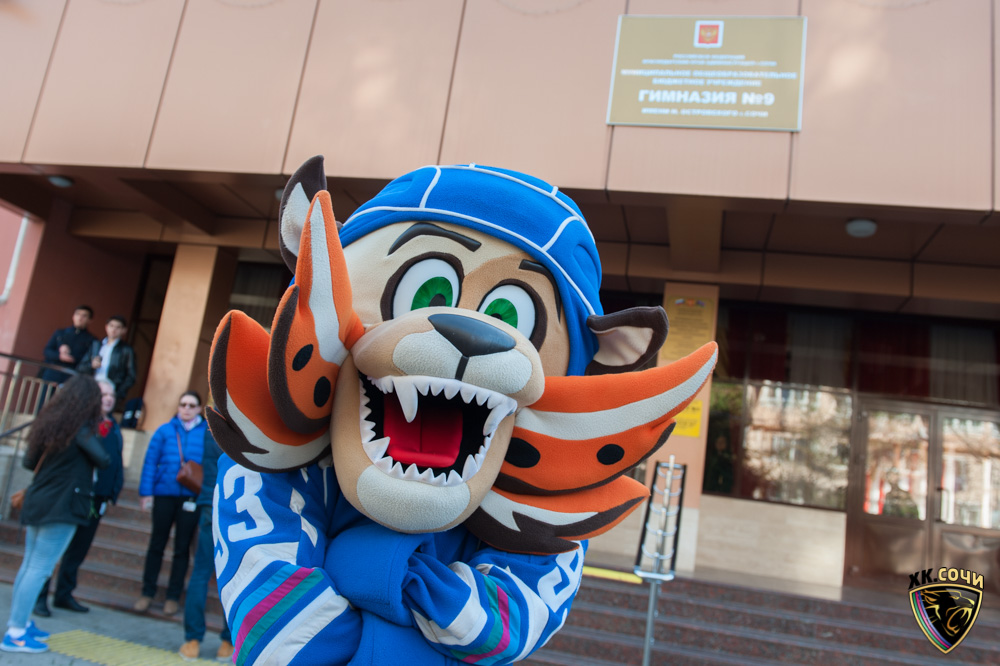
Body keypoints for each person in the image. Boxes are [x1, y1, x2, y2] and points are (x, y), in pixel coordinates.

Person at [2, 375, 110, 654]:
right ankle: (15, 632)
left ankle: (21, 623)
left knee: (30, 565)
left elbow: (29, 462)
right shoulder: (81, 429)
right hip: (62, 506)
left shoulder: (48, 424)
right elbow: (103, 459)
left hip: (38, 500)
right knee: (40, 569)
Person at [33, 379, 124, 617]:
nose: (108, 399)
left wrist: (113, 490)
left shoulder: (113, 427)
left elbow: (115, 461)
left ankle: (64, 593)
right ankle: (39, 597)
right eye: (103, 394)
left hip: (97, 498)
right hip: (72, 496)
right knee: (53, 550)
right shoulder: (78, 425)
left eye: (111, 395)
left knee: (78, 550)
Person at [134, 391, 207, 616]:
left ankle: (173, 596)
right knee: (157, 544)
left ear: (199, 409)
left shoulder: (207, 433)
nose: (186, 409)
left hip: (190, 497)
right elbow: (150, 462)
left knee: (181, 548)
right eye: (183, 404)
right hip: (164, 494)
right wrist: (146, 492)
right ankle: (147, 592)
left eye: (191, 405)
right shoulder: (165, 431)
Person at [179, 428, 233, 662]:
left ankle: (192, 641)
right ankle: (228, 642)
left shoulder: (210, 425)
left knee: (200, 573)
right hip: (235, 507)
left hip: (210, 503)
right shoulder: (244, 422)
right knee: (232, 575)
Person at [76, 315, 137, 406]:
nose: (114, 329)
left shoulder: (126, 350)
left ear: (124, 330)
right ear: (106, 327)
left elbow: (131, 376)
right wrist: (91, 365)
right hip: (92, 387)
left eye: (118, 327)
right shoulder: (96, 345)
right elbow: (80, 367)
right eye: (111, 326)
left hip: (111, 389)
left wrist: (118, 393)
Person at [39, 306, 96, 385]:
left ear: (90, 320)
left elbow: (88, 361)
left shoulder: (91, 340)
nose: (80, 318)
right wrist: (59, 356)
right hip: (52, 373)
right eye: (78, 314)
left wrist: (72, 358)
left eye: (84, 316)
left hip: (72, 377)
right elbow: (47, 351)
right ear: (73, 316)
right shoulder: (61, 333)